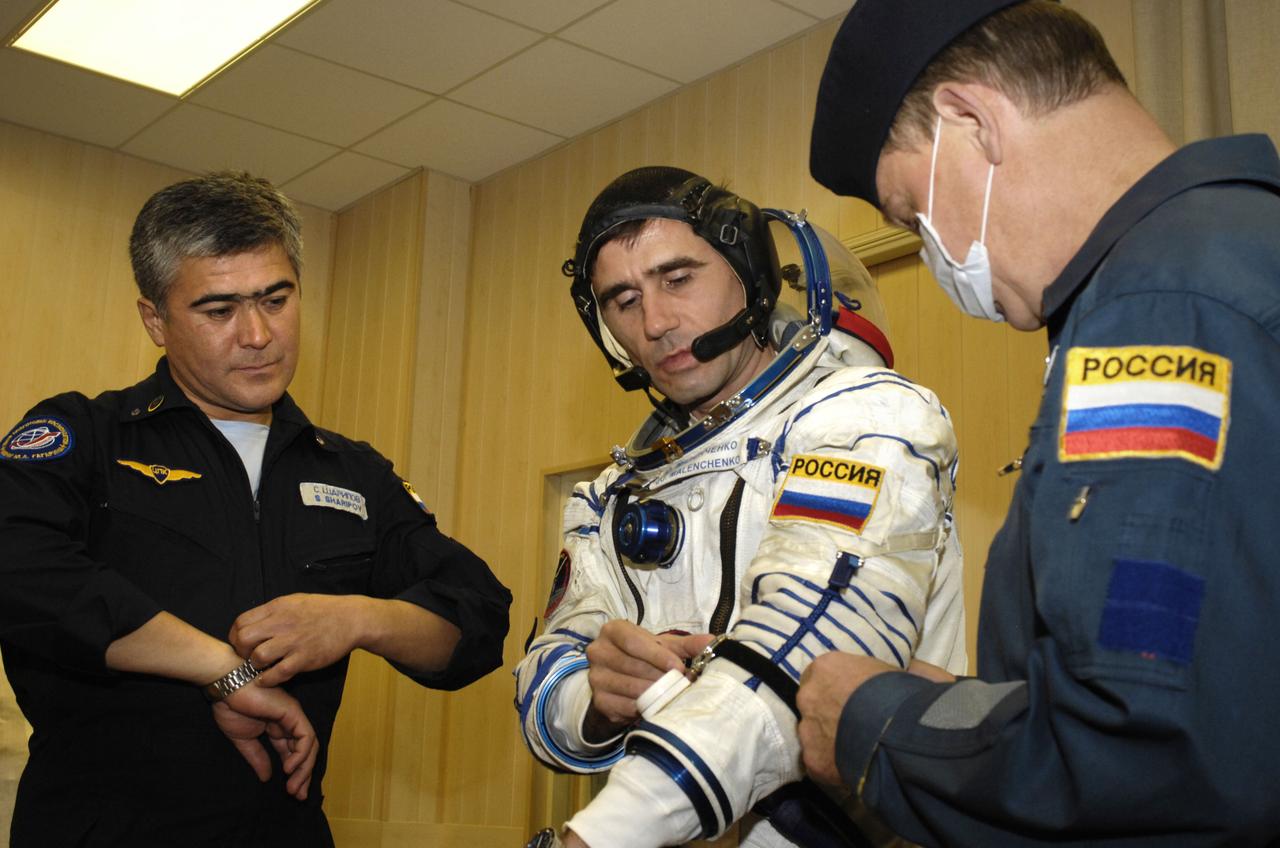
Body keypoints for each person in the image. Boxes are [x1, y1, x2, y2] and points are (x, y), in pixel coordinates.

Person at [801, 0, 1280, 844]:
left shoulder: (1159, 313)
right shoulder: (1241, 249)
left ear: (973, 120)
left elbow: (1149, 759)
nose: (931, 253)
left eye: (911, 215)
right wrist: (949, 709)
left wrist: (875, 721)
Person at [0, 172, 512, 846]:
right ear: (155, 320)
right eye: (219, 310)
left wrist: (360, 618)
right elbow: (20, 567)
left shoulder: (351, 470)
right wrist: (222, 670)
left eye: (277, 298)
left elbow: (476, 616)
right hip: (103, 827)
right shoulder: (88, 436)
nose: (258, 334)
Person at [514, 166, 967, 848]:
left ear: (748, 269)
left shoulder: (867, 418)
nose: (657, 324)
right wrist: (598, 698)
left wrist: (600, 837)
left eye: (678, 277)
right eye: (623, 299)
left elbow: (803, 653)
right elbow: (542, 679)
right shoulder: (612, 494)